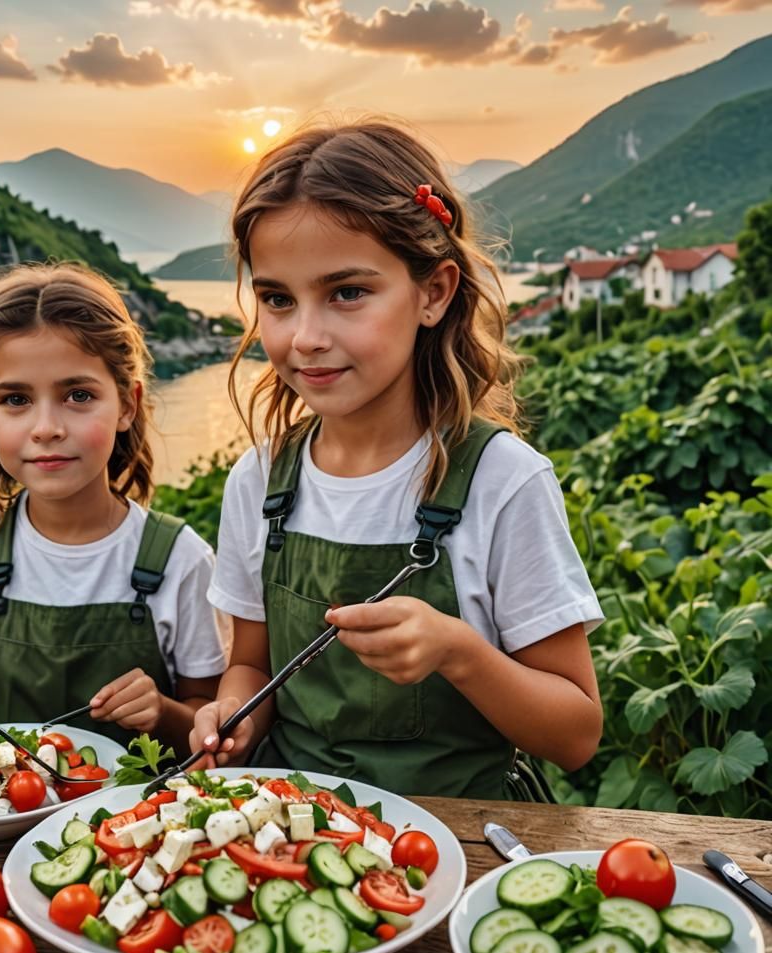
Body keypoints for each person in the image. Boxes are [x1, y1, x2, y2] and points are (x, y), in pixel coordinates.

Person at [189, 119, 604, 797]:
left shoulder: (502, 482)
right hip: (289, 837)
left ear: (434, 292)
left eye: (347, 293)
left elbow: (576, 733)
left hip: (455, 834)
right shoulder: (259, 480)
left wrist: (458, 652)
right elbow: (252, 668)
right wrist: (230, 717)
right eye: (277, 299)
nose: (306, 336)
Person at [0, 263, 227, 753]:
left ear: (126, 404)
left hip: (136, 823)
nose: (46, 427)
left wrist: (160, 711)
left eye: (78, 395)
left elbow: (207, 727)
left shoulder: (182, 559)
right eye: (15, 399)